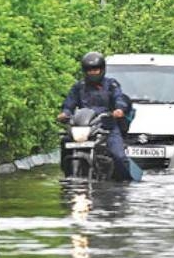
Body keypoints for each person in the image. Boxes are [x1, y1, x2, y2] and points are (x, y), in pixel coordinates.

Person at [57, 51, 133, 181]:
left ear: (102, 69)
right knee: (65, 142)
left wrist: (119, 109)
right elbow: (69, 104)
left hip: (107, 126)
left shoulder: (111, 85)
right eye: (89, 70)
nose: (93, 72)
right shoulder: (79, 87)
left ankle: (125, 183)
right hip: (84, 127)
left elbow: (119, 97)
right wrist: (65, 113)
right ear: (84, 71)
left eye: (95, 69)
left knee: (119, 156)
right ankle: (68, 173)